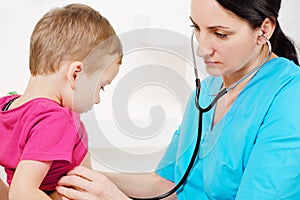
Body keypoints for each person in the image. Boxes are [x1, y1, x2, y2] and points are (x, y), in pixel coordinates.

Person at [56, 0, 300, 199]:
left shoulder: (290, 97)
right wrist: (86, 179)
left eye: (220, 34)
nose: (202, 49)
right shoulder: (206, 91)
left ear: (264, 30)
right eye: (196, 28)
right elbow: (168, 184)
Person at [0, 3, 122, 200]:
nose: (97, 100)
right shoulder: (56, 119)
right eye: (101, 87)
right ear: (75, 74)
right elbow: (22, 193)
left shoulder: (6, 106)